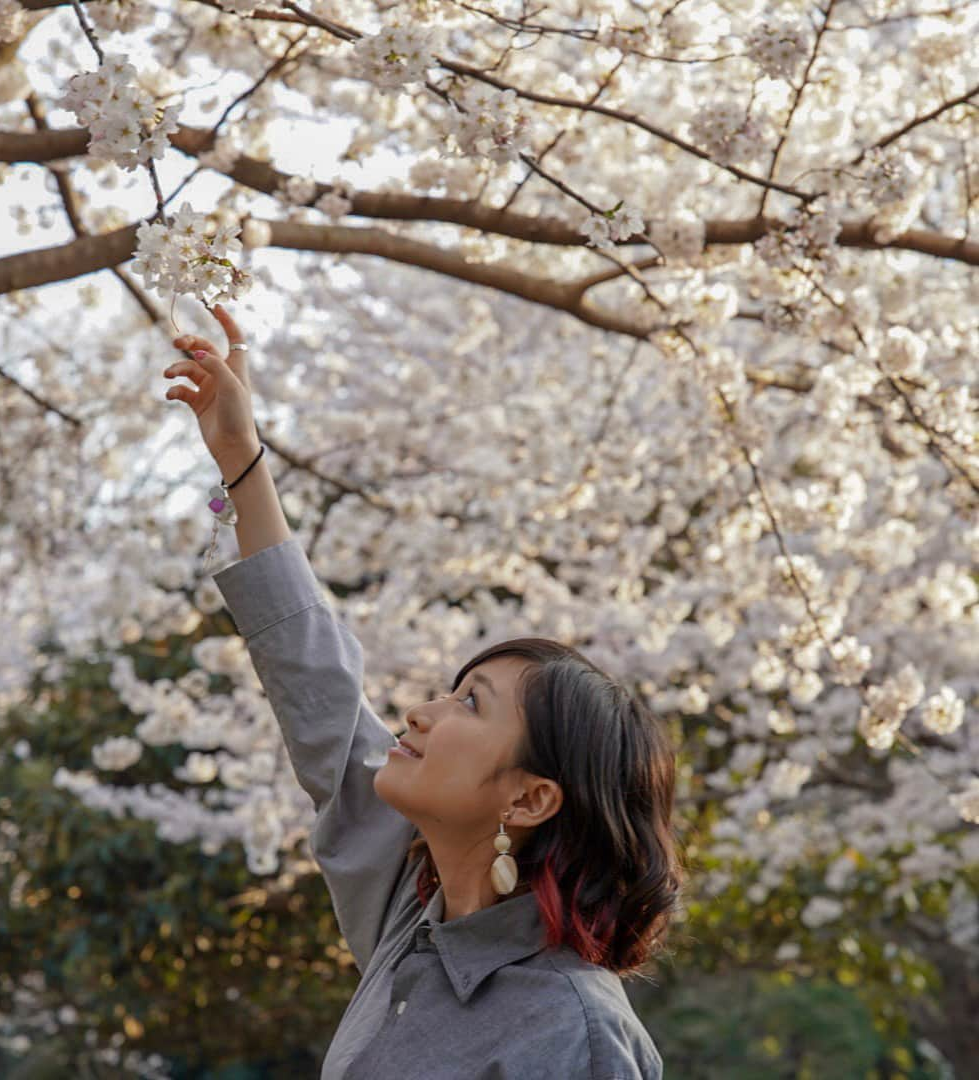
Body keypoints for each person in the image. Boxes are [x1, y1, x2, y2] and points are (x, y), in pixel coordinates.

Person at [164, 304, 684, 1079]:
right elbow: (323, 700)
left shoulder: (576, 1032)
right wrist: (241, 456)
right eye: (452, 690)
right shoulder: (413, 917)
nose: (421, 712)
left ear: (531, 800)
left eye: (471, 704)